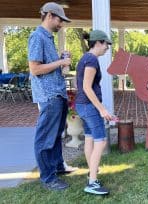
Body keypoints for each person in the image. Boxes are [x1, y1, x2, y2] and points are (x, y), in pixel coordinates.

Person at [28, 2, 77, 191]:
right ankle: (48, 178)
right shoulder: (37, 37)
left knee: (56, 135)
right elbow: (35, 69)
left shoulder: (48, 38)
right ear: (49, 16)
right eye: (60, 20)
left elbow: (48, 66)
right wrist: (60, 62)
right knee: (45, 138)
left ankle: (57, 167)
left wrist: (60, 60)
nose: (61, 24)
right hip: (49, 96)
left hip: (57, 93)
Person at [75, 30, 114, 195]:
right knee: (101, 141)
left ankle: (92, 172)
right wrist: (102, 109)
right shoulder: (91, 59)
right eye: (106, 44)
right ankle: (92, 183)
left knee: (90, 138)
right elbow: (86, 87)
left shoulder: (85, 58)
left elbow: (82, 87)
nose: (107, 48)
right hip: (89, 107)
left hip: (81, 105)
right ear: (98, 42)